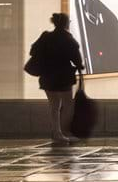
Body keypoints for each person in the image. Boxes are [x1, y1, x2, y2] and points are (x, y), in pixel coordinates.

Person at [28, 13, 84, 144]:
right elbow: (76, 58)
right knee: (68, 105)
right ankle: (64, 132)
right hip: (63, 77)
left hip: (47, 76)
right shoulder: (68, 39)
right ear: (65, 24)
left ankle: (56, 132)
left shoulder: (46, 37)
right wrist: (79, 66)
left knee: (54, 106)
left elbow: (33, 51)